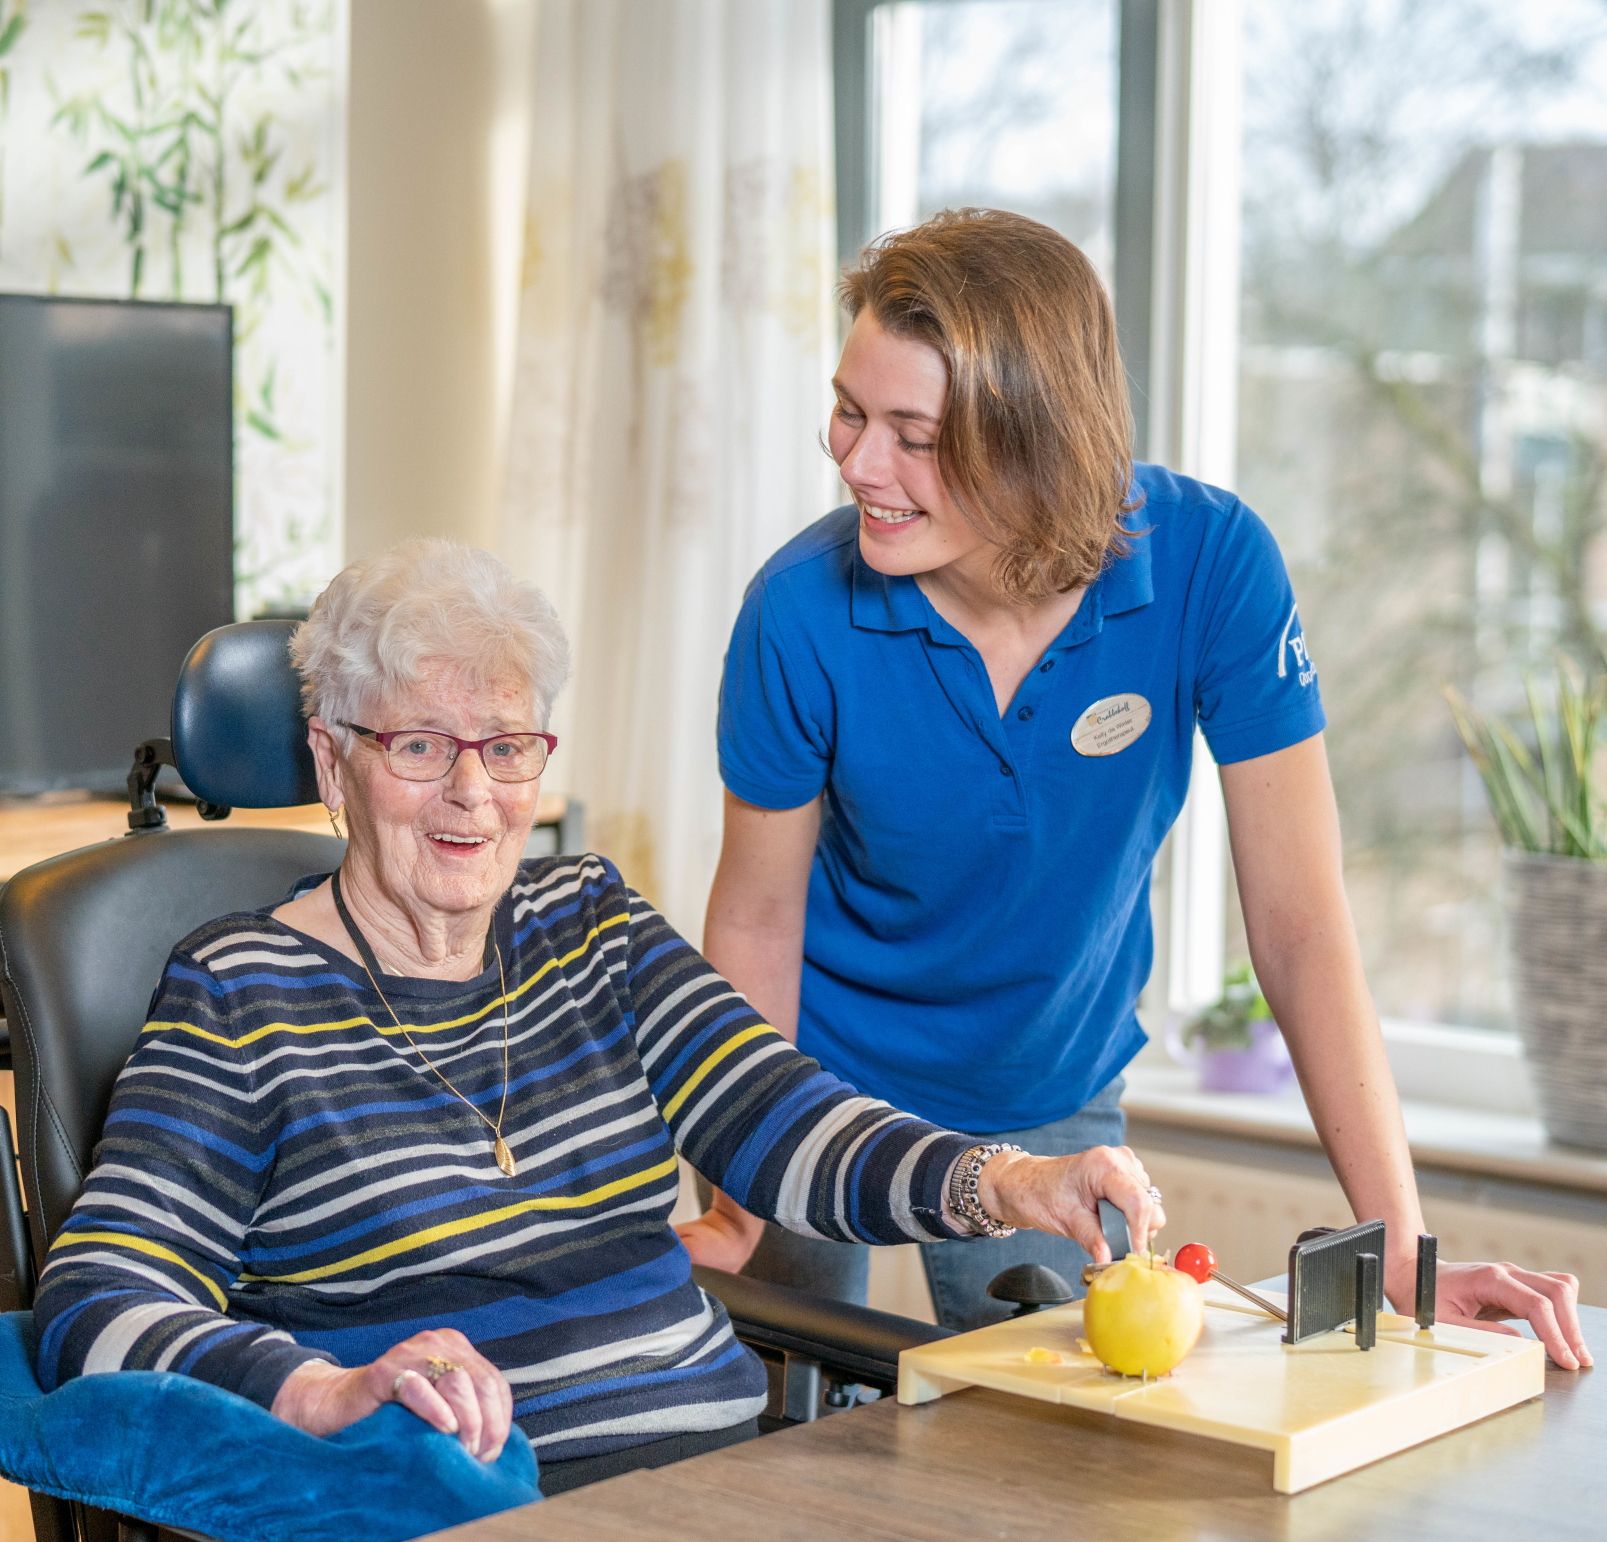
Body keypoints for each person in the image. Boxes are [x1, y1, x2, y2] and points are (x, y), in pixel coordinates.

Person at [32, 538, 1167, 1495]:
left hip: (727, 1483)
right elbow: (100, 1297)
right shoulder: (241, 991)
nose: (474, 794)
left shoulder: (586, 921)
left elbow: (780, 1118)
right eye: (422, 746)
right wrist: (322, 1393)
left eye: (509, 745)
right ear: (335, 762)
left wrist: (1012, 1182)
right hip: (481, 1503)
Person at [679, 207, 1592, 1369]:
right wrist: (742, 1185)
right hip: (815, 1095)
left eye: (911, 433)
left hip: (1048, 1094)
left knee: (1065, 1459)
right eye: (850, 413)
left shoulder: (1209, 566)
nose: (856, 462)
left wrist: (1401, 1252)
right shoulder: (799, 610)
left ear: (1033, 438)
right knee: (778, 1449)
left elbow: (1301, 923)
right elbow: (757, 918)